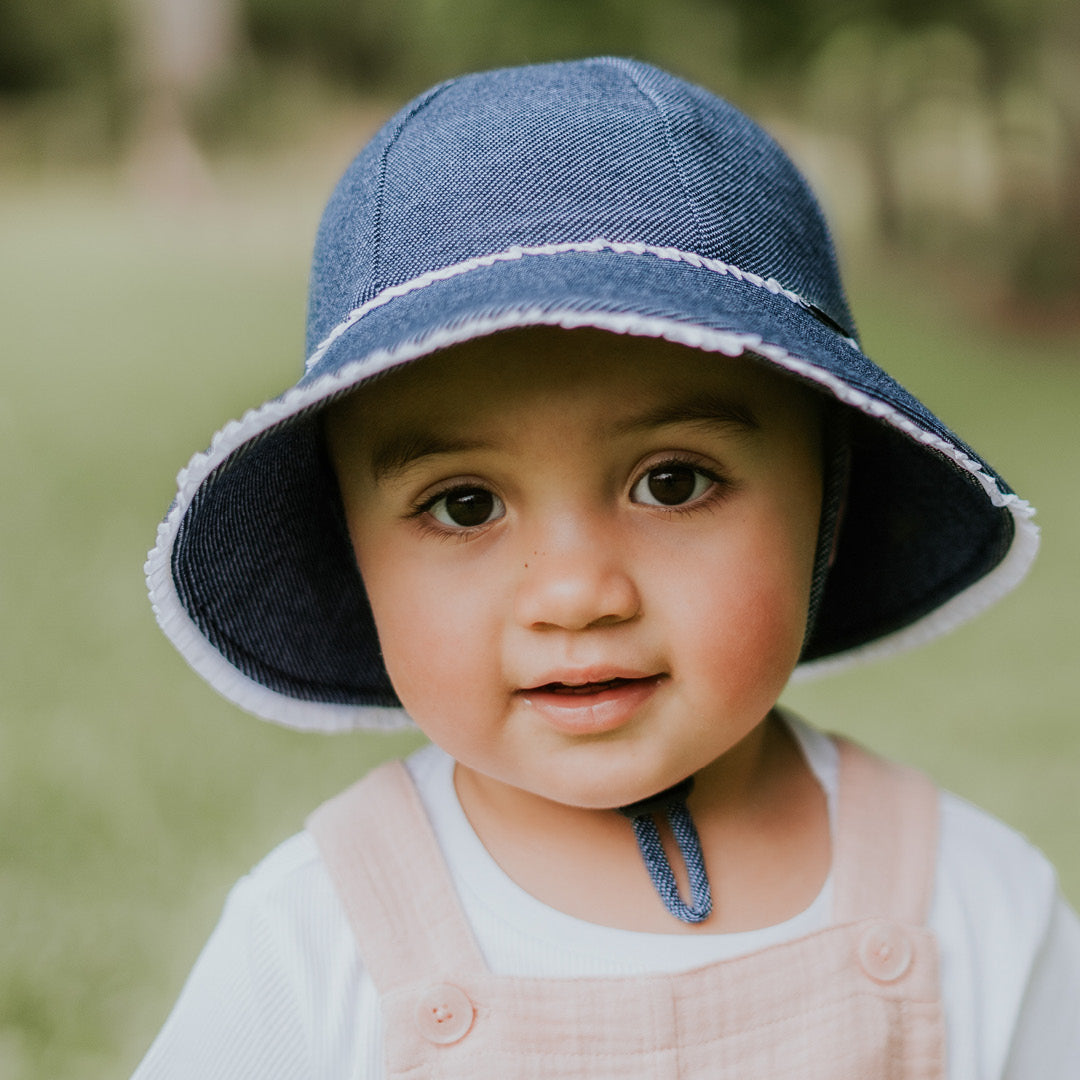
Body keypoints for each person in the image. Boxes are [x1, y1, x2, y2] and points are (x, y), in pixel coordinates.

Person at [134, 57, 1080, 1078]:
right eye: (464, 504)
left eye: (673, 483)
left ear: (832, 502)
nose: (576, 591)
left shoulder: (973, 904)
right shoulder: (319, 937)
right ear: (353, 548)